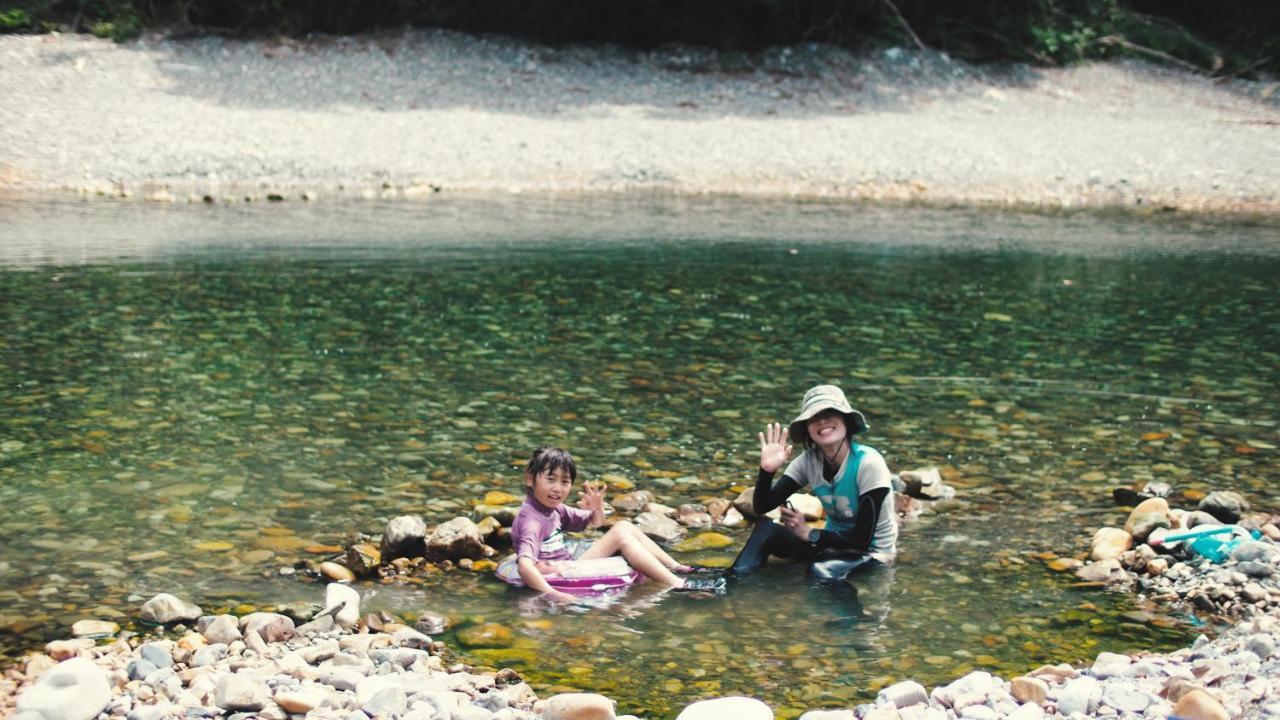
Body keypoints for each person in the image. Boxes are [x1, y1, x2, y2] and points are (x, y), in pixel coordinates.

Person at [728, 384, 898, 581]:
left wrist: (809, 533)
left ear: (846, 420)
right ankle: (729, 584)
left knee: (820, 571)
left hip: (872, 553)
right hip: (829, 546)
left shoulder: (868, 463)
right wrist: (767, 471)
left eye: (830, 413)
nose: (822, 421)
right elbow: (762, 506)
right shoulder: (808, 462)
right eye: (814, 417)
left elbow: (862, 540)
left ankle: (852, 613)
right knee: (766, 529)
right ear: (807, 429)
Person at [511, 446, 724, 600]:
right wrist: (554, 594)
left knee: (624, 526)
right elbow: (524, 566)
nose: (558, 488)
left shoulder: (554, 509)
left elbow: (595, 523)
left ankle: (677, 567)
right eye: (550, 479)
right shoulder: (532, 520)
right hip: (559, 570)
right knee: (622, 536)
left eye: (565, 481)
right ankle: (677, 583)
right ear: (530, 479)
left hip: (568, 562)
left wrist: (596, 507)